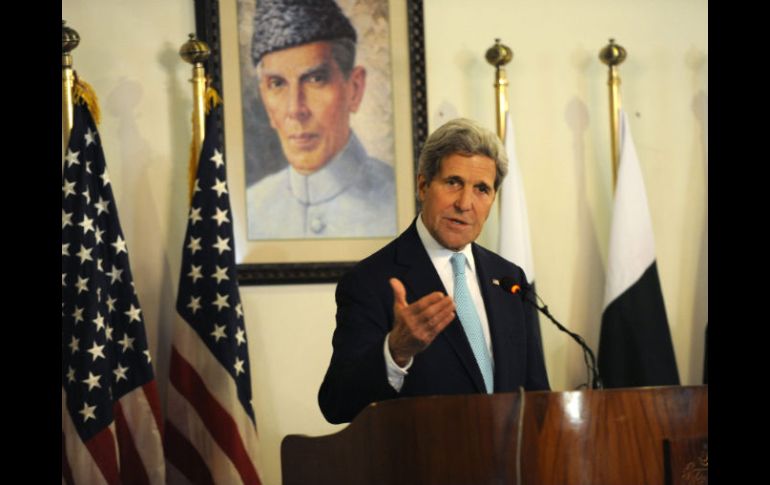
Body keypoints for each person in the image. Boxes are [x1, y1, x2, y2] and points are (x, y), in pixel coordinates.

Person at [319, 118, 551, 424]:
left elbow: (536, 394)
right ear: (423, 186)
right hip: (423, 454)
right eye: (453, 182)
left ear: (493, 199)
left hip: (508, 455)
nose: (465, 203)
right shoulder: (370, 281)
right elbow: (336, 404)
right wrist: (395, 351)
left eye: (481, 189)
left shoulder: (509, 279)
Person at [246, 0, 396, 239]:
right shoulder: (248, 211)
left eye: (315, 79)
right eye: (277, 84)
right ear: (264, 98)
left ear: (354, 89)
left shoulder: (403, 203)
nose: (295, 109)